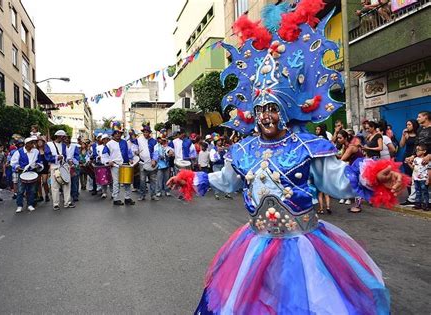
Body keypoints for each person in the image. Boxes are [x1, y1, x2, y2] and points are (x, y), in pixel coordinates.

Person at [167, 8, 406, 312]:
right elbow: (226, 180)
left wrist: (375, 175)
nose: (267, 115)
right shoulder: (243, 150)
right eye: (262, 108)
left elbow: (337, 180)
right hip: (255, 245)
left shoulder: (308, 145)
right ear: (253, 113)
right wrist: (191, 179)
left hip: (303, 245)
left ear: (286, 110)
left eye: (274, 108)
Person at [404, 111, 431, 207]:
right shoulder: (419, 129)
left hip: (428, 159)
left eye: (419, 117)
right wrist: (413, 155)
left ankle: (428, 202)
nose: (417, 119)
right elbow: (416, 144)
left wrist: (430, 155)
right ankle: (414, 200)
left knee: (428, 180)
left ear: (426, 117)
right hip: (419, 158)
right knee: (415, 179)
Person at [45, 130, 75, 210]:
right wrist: (56, 157)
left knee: (67, 184)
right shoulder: (49, 144)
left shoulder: (64, 145)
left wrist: (69, 162)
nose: (65, 138)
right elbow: (47, 157)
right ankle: (55, 204)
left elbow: (66, 156)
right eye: (63, 137)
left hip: (64, 166)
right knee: (55, 186)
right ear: (59, 136)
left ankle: (67, 202)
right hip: (54, 167)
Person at [10, 137, 40, 213]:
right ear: (26, 144)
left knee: (32, 190)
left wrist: (38, 165)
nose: (33, 145)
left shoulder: (36, 151)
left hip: (32, 172)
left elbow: (39, 161)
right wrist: (18, 167)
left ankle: (30, 204)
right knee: (20, 190)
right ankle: (19, 205)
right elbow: (13, 162)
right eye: (31, 143)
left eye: (33, 143)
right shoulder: (19, 152)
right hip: (22, 172)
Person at [107, 128, 136, 206]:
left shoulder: (124, 142)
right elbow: (105, 154)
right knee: (116, 183)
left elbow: (128, 151)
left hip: (125, 164)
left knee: (127, 182)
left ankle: (127, 198)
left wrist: (130, 158)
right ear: (113, 134)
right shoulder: (109, 144)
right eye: (116, 133)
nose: (118, 134)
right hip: (115, 165)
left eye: (119, 133)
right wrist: (108, 161)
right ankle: (116, 199)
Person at [135, 126, 159, 201]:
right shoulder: (139, 140)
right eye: (144, 132)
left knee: (153, 180)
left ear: (149, 133)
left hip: (152, 163)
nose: (145, 133)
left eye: (147, 132)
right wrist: (136, 151)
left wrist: (154, 160)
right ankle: (142, 195)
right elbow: (134, 147)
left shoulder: (154, 141)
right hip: (142, 163)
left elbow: (156, 151)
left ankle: (153, 195)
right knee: (142, 180)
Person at [407, 144, 429, 211]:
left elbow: (428, 169)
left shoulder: (426, 160)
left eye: (418, 150)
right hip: (416, 179)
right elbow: (414, 168)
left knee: (424, 192)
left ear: (424, 151)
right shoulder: (415, 159)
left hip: (423, 179)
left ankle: (425, 205)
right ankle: (418, 204)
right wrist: (409, 163)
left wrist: (428, 178)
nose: (416, 152)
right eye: (416, 150)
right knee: (417, 192)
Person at [65, 137, 80, 202]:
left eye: (67, 139)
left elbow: (77, 156)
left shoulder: (74, 147)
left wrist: (72, 161)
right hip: (65, 166)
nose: (66, 140)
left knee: (74, 181)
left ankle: (75, 195)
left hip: (73, 165)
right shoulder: (62, 147)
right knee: (66, 181)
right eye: (65, 139)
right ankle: (67, 195)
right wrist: (67, 160)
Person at [36, 137, 50, 202]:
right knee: (38, 182)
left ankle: (47, 195)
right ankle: (40, 196)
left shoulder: (46, 149)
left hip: (45, 167)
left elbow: (49, 157)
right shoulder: (36, 150)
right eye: (38, 142)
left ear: (43, 142)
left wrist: (49, 167)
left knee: (44, 182)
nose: (39, 143)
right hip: (37, 167)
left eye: (41, 141)